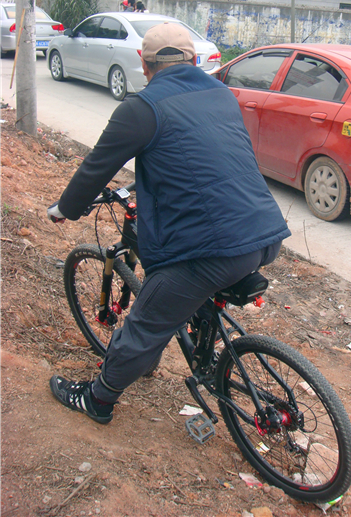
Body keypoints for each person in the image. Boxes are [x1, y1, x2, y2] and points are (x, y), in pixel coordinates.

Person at [47, 22, 291, 425]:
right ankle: (193, 341)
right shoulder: (222, 93)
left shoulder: (142, 108)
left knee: (145, 323)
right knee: (181, 293)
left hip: (215, 249)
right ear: (194, 60)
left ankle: (98, 399)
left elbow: (96, 168)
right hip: (264, 232)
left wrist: (66, 208)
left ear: (144, 65)